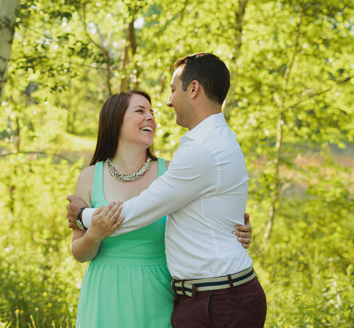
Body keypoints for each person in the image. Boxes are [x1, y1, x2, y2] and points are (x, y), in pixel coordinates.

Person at [68, 53, 267, 327]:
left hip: (195, 297)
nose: (166, 103)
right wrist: (230, 228)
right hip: (135, 295)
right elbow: (210, 210)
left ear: (193, 89)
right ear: (115, 121)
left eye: (173, 90)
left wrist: (82, 216)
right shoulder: (92, 176)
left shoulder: (192, 155)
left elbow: (139, 212)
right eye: (140, 110)